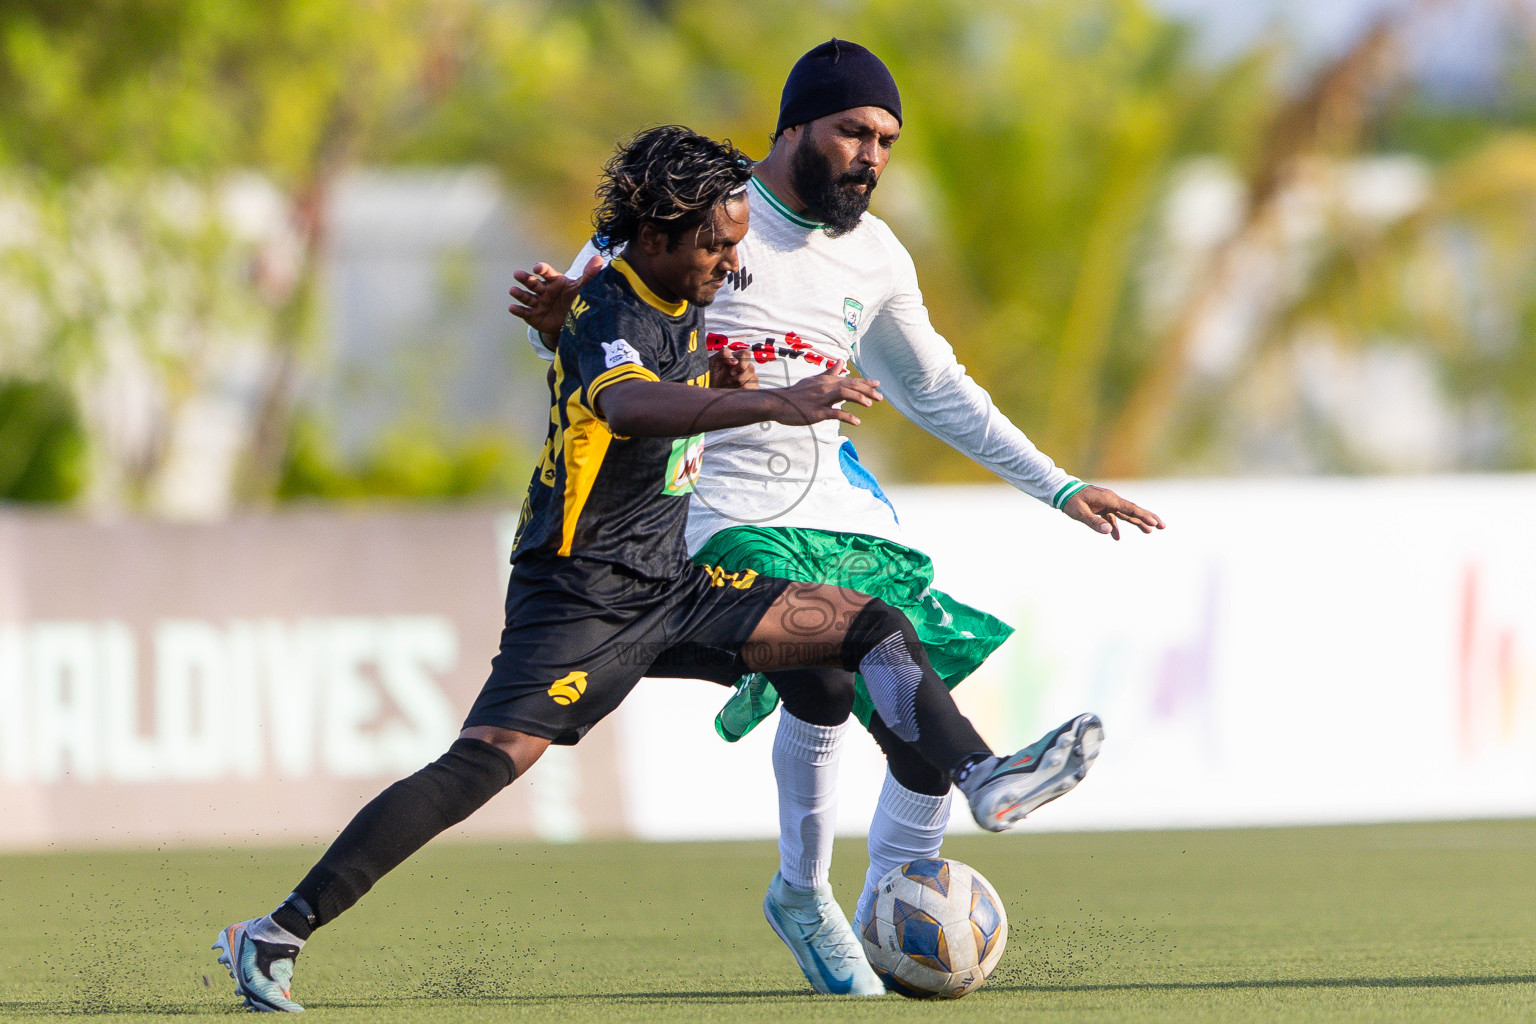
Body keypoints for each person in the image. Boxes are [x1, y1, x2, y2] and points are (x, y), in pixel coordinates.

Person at [214, 125, 1107, 1013]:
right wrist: (776, 401)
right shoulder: (612, 312)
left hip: (676, 587)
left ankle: (981, 777)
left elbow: (690, 355)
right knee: (482, 766)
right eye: (715, 247)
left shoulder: (677, 299)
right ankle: (276, 931)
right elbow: (634, 405)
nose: (729, 263)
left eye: (734, 244)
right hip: (582, 599)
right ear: (655, 236)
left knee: (866, 627)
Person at [509, 39, 1163, 997]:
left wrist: (1060, 486)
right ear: (795, 126)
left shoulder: (877, 255)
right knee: (821, 678)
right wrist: (549, 328)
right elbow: (592, 358)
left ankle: (888, 891)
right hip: (716, 509)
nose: (872, 155)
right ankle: (841, 874)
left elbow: (939, 391)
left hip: (841, 507)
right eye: (855, 130)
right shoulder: (695, 210)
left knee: (909, 726)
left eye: (888, 140)